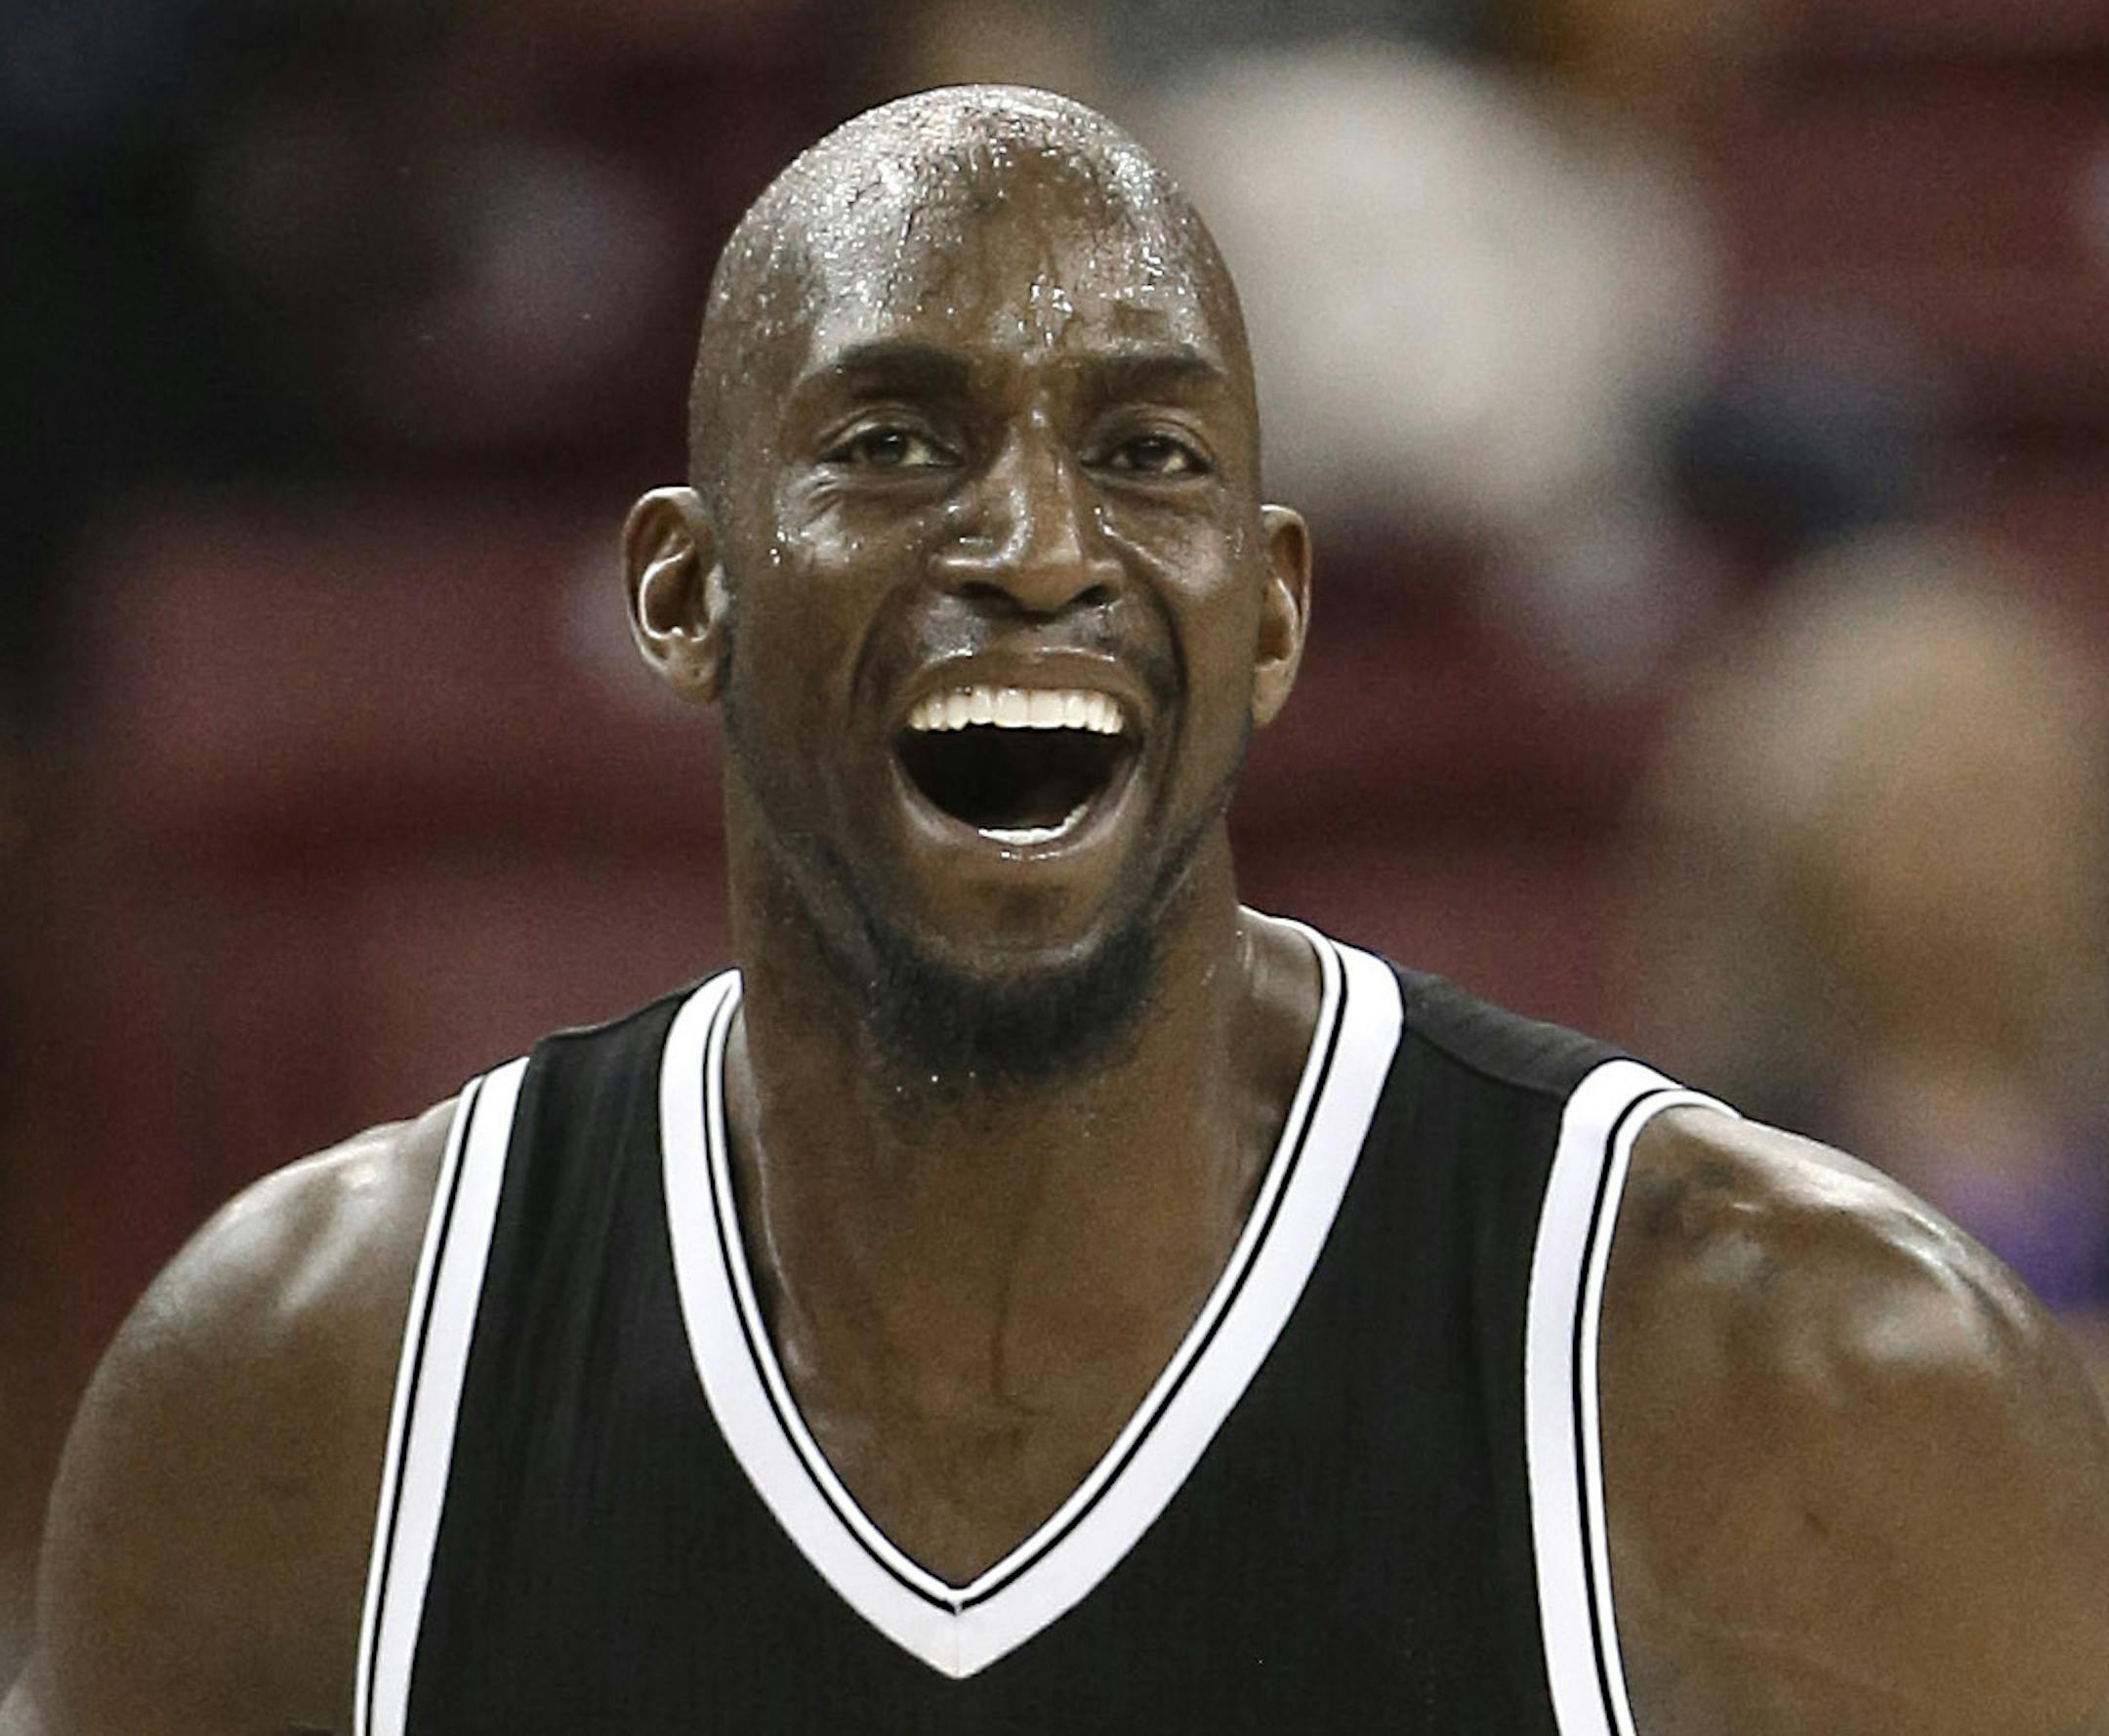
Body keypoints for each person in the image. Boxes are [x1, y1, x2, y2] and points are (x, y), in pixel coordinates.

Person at [5, 87, 2107, 1736]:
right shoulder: (311, 1398)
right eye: (894, 437)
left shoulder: (1802, 1389)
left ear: (1272, 610)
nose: (1032, 542)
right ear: (681, 592)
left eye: (1148, 453)